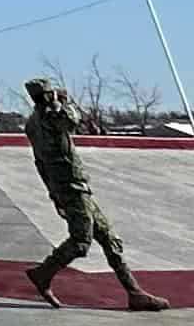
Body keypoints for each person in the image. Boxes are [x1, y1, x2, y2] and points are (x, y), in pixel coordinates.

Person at [20, 78, 170, 311]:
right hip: (71, 187)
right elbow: (72, 121)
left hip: (72, 187)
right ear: (47, 96)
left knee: (110, 239)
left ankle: (134, 292)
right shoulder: (51, 117)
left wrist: (52, 194)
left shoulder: (32, 124)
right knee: (81, 241)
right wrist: (65, 104)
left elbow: (38, 162)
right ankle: (43, 273)